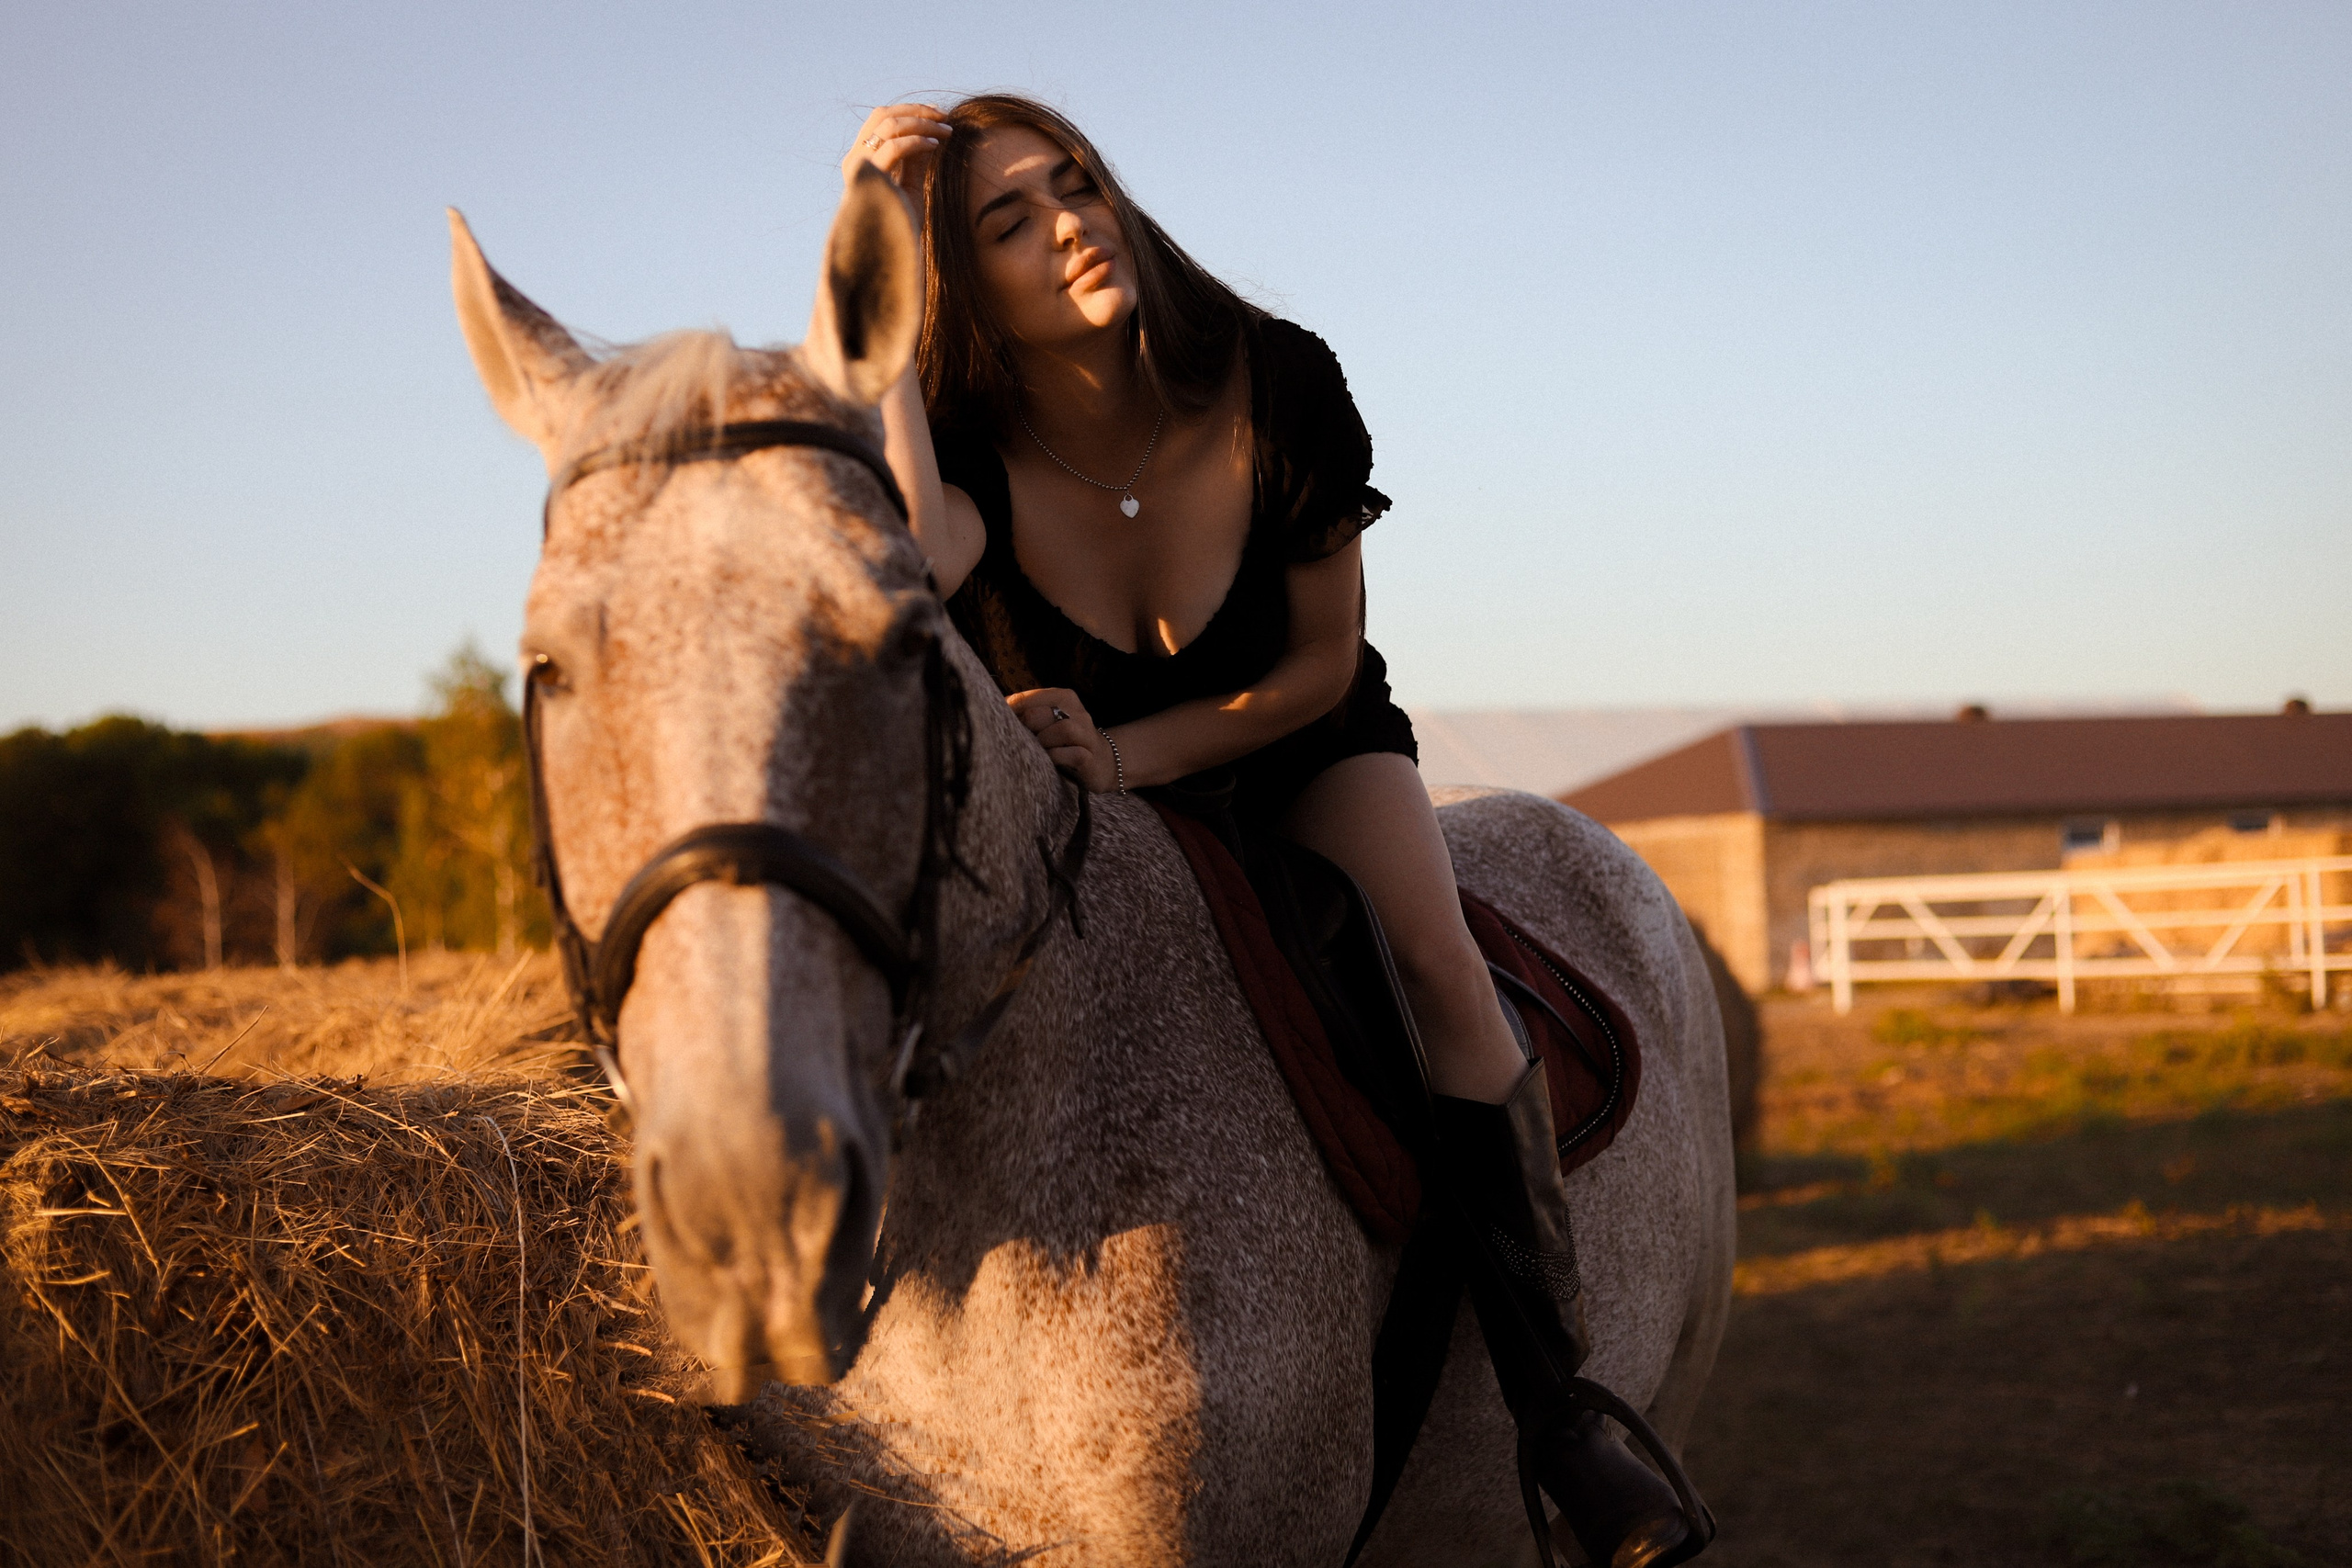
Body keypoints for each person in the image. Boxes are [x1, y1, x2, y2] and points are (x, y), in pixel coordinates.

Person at [843, 95, 1701, 1568]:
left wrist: (1126, 751)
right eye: (1009, 223)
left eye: (1082, 185)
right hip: (1091, 822)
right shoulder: (970, 447)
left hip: (1300, 752)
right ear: (957, 282)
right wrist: (861, 212)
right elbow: (904, 553)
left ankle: (1569, 1415)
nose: (1073, 226)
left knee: (1436, 964)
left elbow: (1311, 665)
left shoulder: (1277, 380)